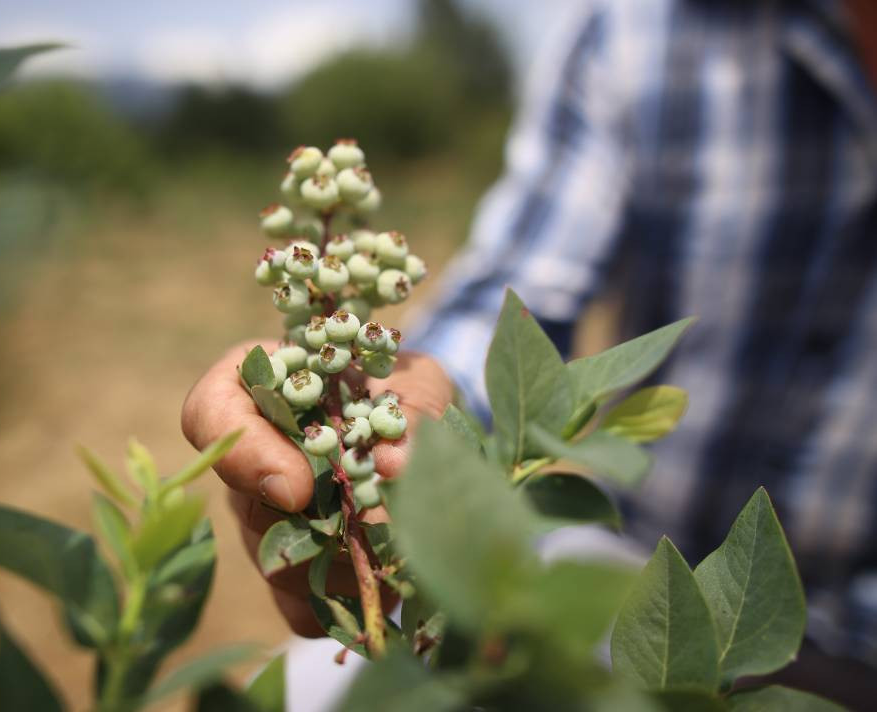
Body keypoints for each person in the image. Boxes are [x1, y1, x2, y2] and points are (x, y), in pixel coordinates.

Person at [183, 0, 877, 705]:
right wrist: (417, 406)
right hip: (643, 591)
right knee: (315, 692)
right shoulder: (642, 28)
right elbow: (519, 295)